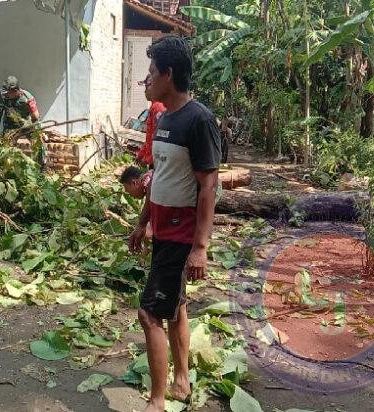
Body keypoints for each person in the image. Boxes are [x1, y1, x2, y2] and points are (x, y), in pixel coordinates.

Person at [128, 36, 221, 412]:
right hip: (163, 231)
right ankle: (180, 381)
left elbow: (208, 186)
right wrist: (141, 223)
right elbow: (159, 177)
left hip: (182, 235)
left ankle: (157, 401)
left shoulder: (199, 121)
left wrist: (200, 247)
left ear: (168, 74)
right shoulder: (165, 118)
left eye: (150, 73)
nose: (146, 81)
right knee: (176, 306)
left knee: (150, 313)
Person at [136, 75, 166, 168]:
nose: (145, 91)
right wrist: (141, 154)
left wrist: (147, 158)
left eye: (147, 87)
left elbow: (157, 137)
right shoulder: (153, 107)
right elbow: (149, 137)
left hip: (157, 161)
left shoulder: (158, 107)